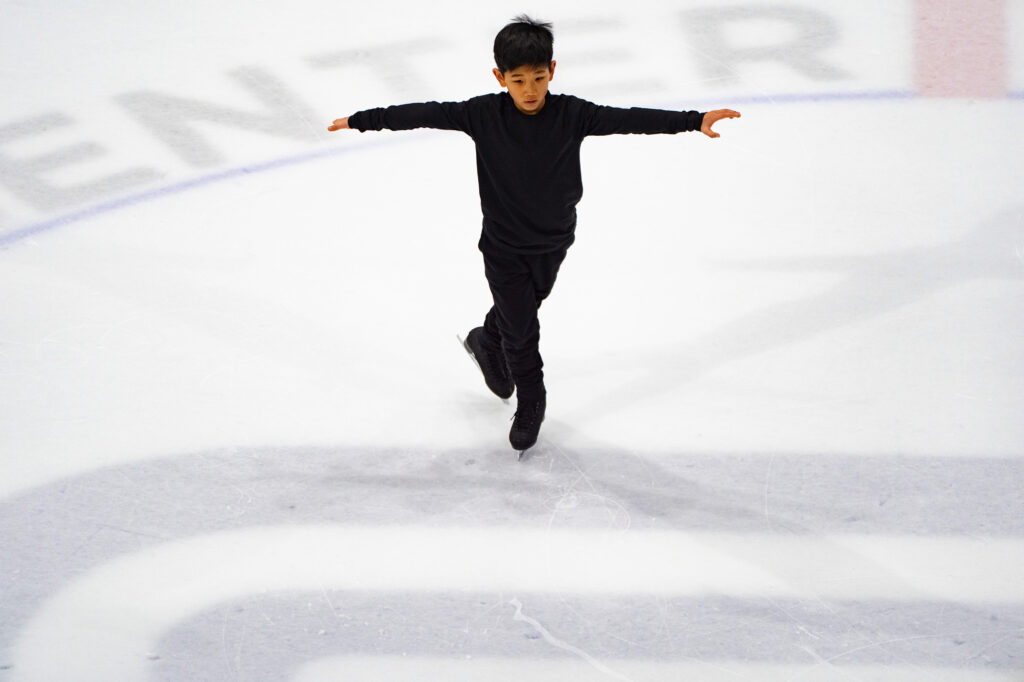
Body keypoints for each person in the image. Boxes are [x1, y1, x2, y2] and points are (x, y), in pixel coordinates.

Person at [328, 14, 740, 453]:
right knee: (523, 331)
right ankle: (532, 401)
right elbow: (422, 113)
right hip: (503, 248)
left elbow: (630, 119)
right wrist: (361, 120)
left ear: (552, 71)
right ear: (500, 78)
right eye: (518, 80)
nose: (529, 90)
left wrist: (694, 119)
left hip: (554, 240)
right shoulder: (482, 114)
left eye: (539, 78)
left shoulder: (573, 114)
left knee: (520, 311)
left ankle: (487, 339)